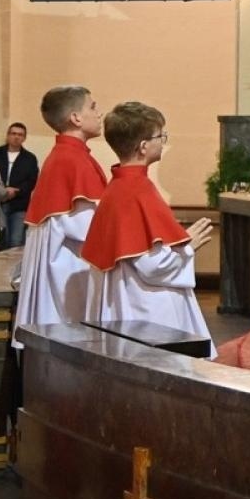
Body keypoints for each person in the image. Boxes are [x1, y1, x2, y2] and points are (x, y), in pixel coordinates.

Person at [84, 102, 216, 358]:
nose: (163, 142)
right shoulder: (137, 190)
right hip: (146, 305)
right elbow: (150, 266)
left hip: (127, 295)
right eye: (160, 136)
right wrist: (188, 247)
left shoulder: (119, 186)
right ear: (143, 146)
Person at [13, 86, 108, 350]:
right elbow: (87, 228)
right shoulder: (72, 160)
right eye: (92, 106)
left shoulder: (68, 156)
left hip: (66, 259)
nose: (99, 113)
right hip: (68, 267)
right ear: (75, 118)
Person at [0, 122, 39, 249]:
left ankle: (15, 269)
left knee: (16, 241)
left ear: (24, 138)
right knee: (1, 240)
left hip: (19, 205)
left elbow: (32, 181)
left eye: (20, 134)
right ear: (8, 135)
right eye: (13, 133)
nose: (16, 137)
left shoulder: (30, 158)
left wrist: (16, 191)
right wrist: (1, 191)